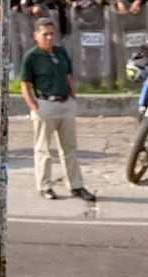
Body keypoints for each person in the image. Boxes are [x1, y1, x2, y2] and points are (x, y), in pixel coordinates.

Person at [20, 17, 96, 203]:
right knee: (43, 149)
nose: (49, 38)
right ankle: (45, 186)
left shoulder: (60, 52)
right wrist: (33, 106)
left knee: (69, 148)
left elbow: (68, 75)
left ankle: (76, 185)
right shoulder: (32, 57)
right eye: (44, 34)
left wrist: (72, 96)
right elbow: (25, 84)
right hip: (45, 104)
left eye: (51, 34)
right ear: (36, 36)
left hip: (64, 103)